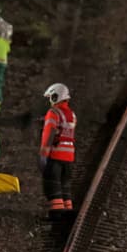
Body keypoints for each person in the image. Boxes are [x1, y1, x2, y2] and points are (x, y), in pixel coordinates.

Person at [39, 83, 76, 221]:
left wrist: (44, 153)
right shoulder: (72, 115)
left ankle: (57, 213)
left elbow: (49, 133)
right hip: (69, 156)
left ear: (56, 97)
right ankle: (67, 209)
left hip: (56, 154)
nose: (50, 101)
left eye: (51, 98)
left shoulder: (53, 113)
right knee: (65, 184)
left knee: (52, 184)